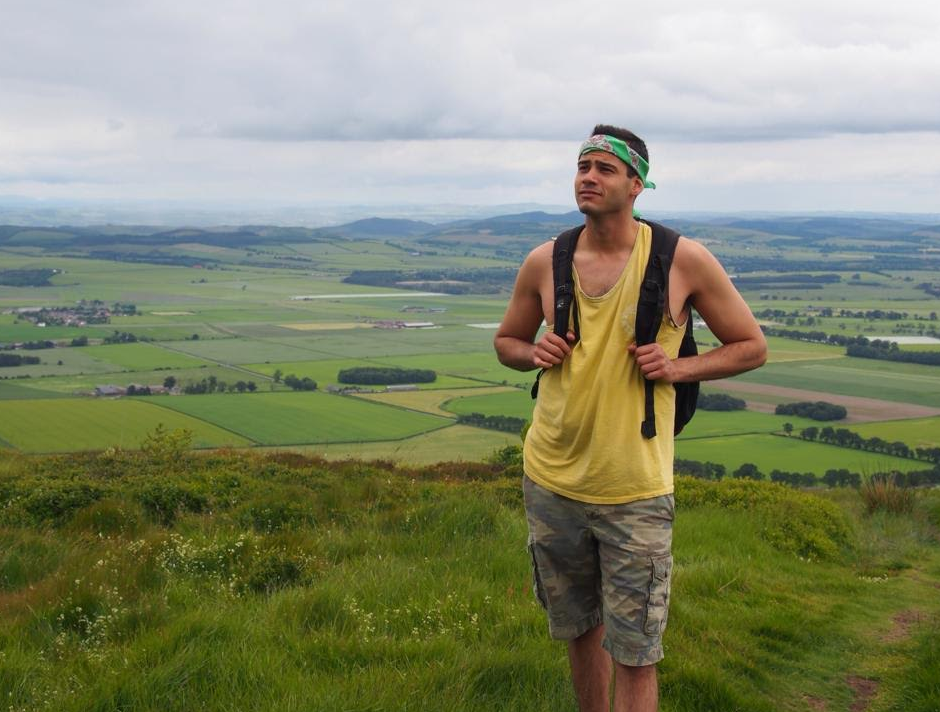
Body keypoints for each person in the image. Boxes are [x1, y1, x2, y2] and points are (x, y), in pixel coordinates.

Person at [493, 124, 767, 712]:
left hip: (635, 488)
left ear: (637, 184)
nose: (588, 176)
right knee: (577, 630)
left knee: (636, 651)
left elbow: (750, 345)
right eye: (582, 165)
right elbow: (507, 343)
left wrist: (676, 368)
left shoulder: (680, 260)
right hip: (551, 479)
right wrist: (531, 351)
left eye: (605, 168)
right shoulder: (546, 260)